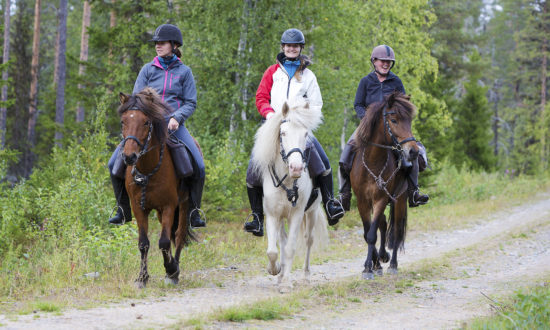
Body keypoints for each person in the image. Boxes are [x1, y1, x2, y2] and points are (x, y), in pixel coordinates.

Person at [244, 28, 345, 237]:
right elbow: (261, 97)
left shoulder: (308, 75)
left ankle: (330, 204)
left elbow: (317, 104)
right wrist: (270, 114)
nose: (292, 48)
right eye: (288, 45)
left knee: (323, 163)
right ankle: (256, 217)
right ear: (283, 47)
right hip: (274, 126)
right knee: (253, 170)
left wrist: (305, 118)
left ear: (300, 49)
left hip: (299, 127)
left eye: (296, 46)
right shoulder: (272, 72)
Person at [108, 23, 206, 228]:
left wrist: (176, 117)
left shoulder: (184, 72)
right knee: (113, 165)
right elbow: (136, 100)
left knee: (199, 165)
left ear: (174, 45)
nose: (158, 46)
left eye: (162, 43)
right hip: (146, 127)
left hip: (174, 126)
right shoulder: (147, 69)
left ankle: (194, 212)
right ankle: (122, 209)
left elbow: (191, 102)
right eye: (156, 43)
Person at [339, 44, 429, 211]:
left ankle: (414, 192)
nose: (386, 64)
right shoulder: (366, 81)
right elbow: (358, 104)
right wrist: (367, 119)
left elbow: (403, 106)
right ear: (374, 61)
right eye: (383, 61)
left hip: (393, 127)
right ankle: (343, 196)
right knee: (345, 156)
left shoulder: (396, 81)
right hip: (367, 127)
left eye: (389, 62)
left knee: (412, 154)